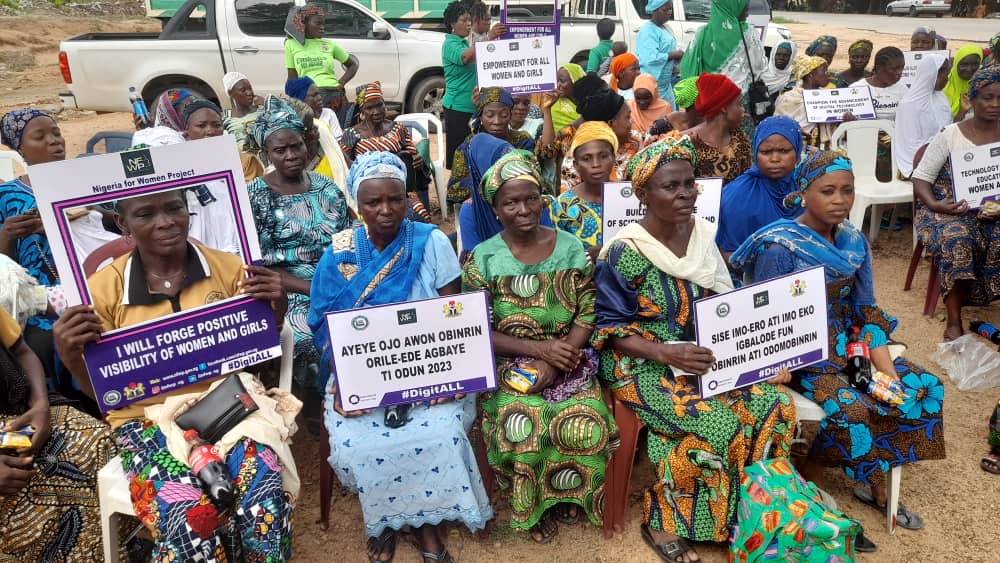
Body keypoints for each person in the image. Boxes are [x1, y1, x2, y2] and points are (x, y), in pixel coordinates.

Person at [53, 190, 294, 561]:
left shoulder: (228, 269)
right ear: (123, 223)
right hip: (145, 421)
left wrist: (274, 309)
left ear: (187, 209)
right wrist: (72, 358)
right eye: (146, 213)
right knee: (187, 515)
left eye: (175, 208)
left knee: (264, 489)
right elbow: (105, 395)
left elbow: (256, 355)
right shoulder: (100, 293)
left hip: (227, 405)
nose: (165, 221)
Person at [594, 137, 794, 562]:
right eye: (671, 187)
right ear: (643, 194)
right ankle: (664, 518)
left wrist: (759, 357)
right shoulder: (625, 253)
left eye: (690, 184)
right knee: (719, 423)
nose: (685, 194)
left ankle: (750, 514)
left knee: (773, 405)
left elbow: (727, 304)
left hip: (701, 352)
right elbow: (610, 331)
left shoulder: (702, 235)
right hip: (639, 362)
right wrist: (667, 355)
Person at [731, 150, 946, 533]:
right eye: (827, 191)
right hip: (799, 354)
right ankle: (835, 479)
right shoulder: (780, 247)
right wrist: (776, 366)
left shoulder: (853, 240)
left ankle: (872, 475)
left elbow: (866, 310)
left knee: (920, 388)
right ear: (803, 193)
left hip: (851, 345)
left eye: (847, 191)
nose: (839, 200)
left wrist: (888, 370)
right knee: (852, 410)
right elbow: (762, 319)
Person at [308, 152, 491, 563]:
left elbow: (453, 314)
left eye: (395, 199)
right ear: (357, 204)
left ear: (407, 199)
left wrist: (454, 378)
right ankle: (385, 521)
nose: (386, 210)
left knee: (438, 432)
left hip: (431, 369)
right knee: (360, 443)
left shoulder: (431, 240)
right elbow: (324, 322)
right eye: (373, 202)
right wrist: (345, 386)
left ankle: (429, 528)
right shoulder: (339, 253)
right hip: (362, 374)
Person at [462, 150, 617, 544]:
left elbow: (587, 313)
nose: (523, 209)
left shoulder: (572, 249)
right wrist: (539, 352)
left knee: (586, 414)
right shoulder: (483, 259)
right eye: (510, 202)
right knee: (522, 420)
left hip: (570, 355)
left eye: (531, 198)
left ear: (543, 198)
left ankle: (567, 491)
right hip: (508, 359)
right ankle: (533, 505)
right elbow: (476, 328)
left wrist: (560, 354)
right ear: (495, 208)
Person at [247, 97, 350, 395]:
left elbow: (346, 242)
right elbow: (266, 269)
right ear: (267, 153)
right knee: (313, 338)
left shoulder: (326, 187)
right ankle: (320, 413)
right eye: (280, 150)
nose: (291, 155)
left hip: (339, 280)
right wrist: (317, 290)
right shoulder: (257, 196)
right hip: (291, 294)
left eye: (297, 146)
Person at [0, 306, 116, 561]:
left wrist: (40, 406)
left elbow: (20, 350)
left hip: (12, 419)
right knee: (26, 495)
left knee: (95, 441)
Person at [0, 109, 93, 409]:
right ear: (20, 148)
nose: (55, 142)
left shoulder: (87, 182)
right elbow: (4, 270)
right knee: (46, 339)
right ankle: (77, 407)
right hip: (40, 296)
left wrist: (88, 214)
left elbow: (120, 225)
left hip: (96, 278)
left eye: (56, 133)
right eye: (40, 137)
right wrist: (8, 234)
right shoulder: (7, 196)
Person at [910, 66, 1000, 342]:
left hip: (993, 209)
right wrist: (937, 205)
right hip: (949, 208)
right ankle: (953, 319)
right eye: (987, 97)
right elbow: (921, 179)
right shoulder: (951, 134)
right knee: (958, 239)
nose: (995, 104)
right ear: (970, 99)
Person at [716, 115, 805, 260]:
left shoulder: (809, 187)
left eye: (784, 151)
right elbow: (728, 254)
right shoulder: (736, 197)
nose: (775, 159)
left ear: (797, 150)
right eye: (766, 152)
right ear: (755, 152)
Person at [538, 74, 640, 193]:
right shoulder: (571, 145)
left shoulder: (633, 140)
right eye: (587, 158)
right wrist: (547, 110)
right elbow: (546, 152)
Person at [341, 82, 430, 207]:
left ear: (385, 104)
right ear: (362, 110)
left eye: (379, 105)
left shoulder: (398, 128)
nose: (376, 111)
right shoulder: (351, 134)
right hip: (368, 193)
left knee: (418, 212)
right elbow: (343, 165)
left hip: (399, 190)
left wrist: (418, 161)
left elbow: (412, 155)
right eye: (369, 108)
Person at [441, 1, 505, 168]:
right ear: (452, 24)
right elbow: (465, 57)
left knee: (472, 154)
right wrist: (488, 38)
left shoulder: (465, 42)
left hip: (472, 106)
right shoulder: (450, 44)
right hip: (457, 108)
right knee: (458, 159)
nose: (468, 24)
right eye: (463, 20)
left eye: (470, 20)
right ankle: (457, 191)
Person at [447, 87, 536, 204]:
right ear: (481, 116)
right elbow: (453, 191)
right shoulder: (469, 147)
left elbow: (532, 178)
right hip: (481, 206)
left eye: (503, 115)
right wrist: (489, 181)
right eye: (489, 115)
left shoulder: (523, 140)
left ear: (510, 115)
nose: (497, 121)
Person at [551, 121, 617, 257]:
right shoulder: (562, 206)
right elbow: (556, 255)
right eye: (587, 159)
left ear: (613, 158)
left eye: (603, 156)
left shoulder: (629, 197)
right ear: (576, 165)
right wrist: (586, 256)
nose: (596, 164)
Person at [679, 0, 765, 95]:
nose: (747, 13)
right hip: (737, 99)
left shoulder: (702, 33)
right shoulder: (748, 34)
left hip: (708, 98)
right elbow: (759, 67)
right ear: (732, 6)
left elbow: (687, 68)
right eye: (744, 7)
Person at [683, 73, 752, 185]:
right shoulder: (685, 143)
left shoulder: (739, 138)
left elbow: (746, 180)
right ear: (724, 108)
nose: (743, 110)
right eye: (739, 104)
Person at [893, 53, 951, 178]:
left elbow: (949, 130)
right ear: (932, 75)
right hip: (917, 164)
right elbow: (910, 146)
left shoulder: (941, 98)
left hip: (942, 157)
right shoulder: (909, 104)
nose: (947, 78)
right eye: (945, 74)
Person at [284, 5, 359, 101]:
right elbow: (292, 77)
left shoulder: (329, 44)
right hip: (310, 95)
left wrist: (341, 83)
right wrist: (294, 99)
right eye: (318, 23)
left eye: (323, 24)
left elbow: (353, 65)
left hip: (333, 92)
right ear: (304, 23)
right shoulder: (291, 44)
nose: (322, 28)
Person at [775, 56, 847, 150]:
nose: (828, 74)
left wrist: (844, 120)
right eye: (824, 71)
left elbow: (834, 126)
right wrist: (793, 128)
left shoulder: (828, 97)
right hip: (797, 149)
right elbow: (778, 125)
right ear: (811, 74)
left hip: (824, 150)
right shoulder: (789, 99)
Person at [637, 0, 683, 108]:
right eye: (665, 9)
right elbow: (649, 59)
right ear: (654, 10)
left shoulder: (665, 28)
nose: (669, 12)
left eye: (670, 8)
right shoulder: (647, 31)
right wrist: (673, 55)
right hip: (653, 86)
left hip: (666, 85)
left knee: (670, 115)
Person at [850, 47, 906, 121]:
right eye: (894, 69)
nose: (899, 72)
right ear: (879, 68)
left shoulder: (903, 90)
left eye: (902, 68)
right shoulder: (856, 89)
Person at [944, 45, 984, 121]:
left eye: (975, 64)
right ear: (956, 65)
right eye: (964, 64)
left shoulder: (983, 89)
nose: (969, 69)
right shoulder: (943, 88)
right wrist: (962, 112)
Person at [222, 71, 261, 146]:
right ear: (230, 93)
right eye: (243, 90)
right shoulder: (226, 117)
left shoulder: (261, 110)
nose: (249, 93)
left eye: (250, 89)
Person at [550, 63, 586, 133]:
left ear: (575, 81)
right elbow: (560, 134)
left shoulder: (591, 101)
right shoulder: (556, 107)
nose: (558, 85)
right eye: (557, 81)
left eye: (562, 81)